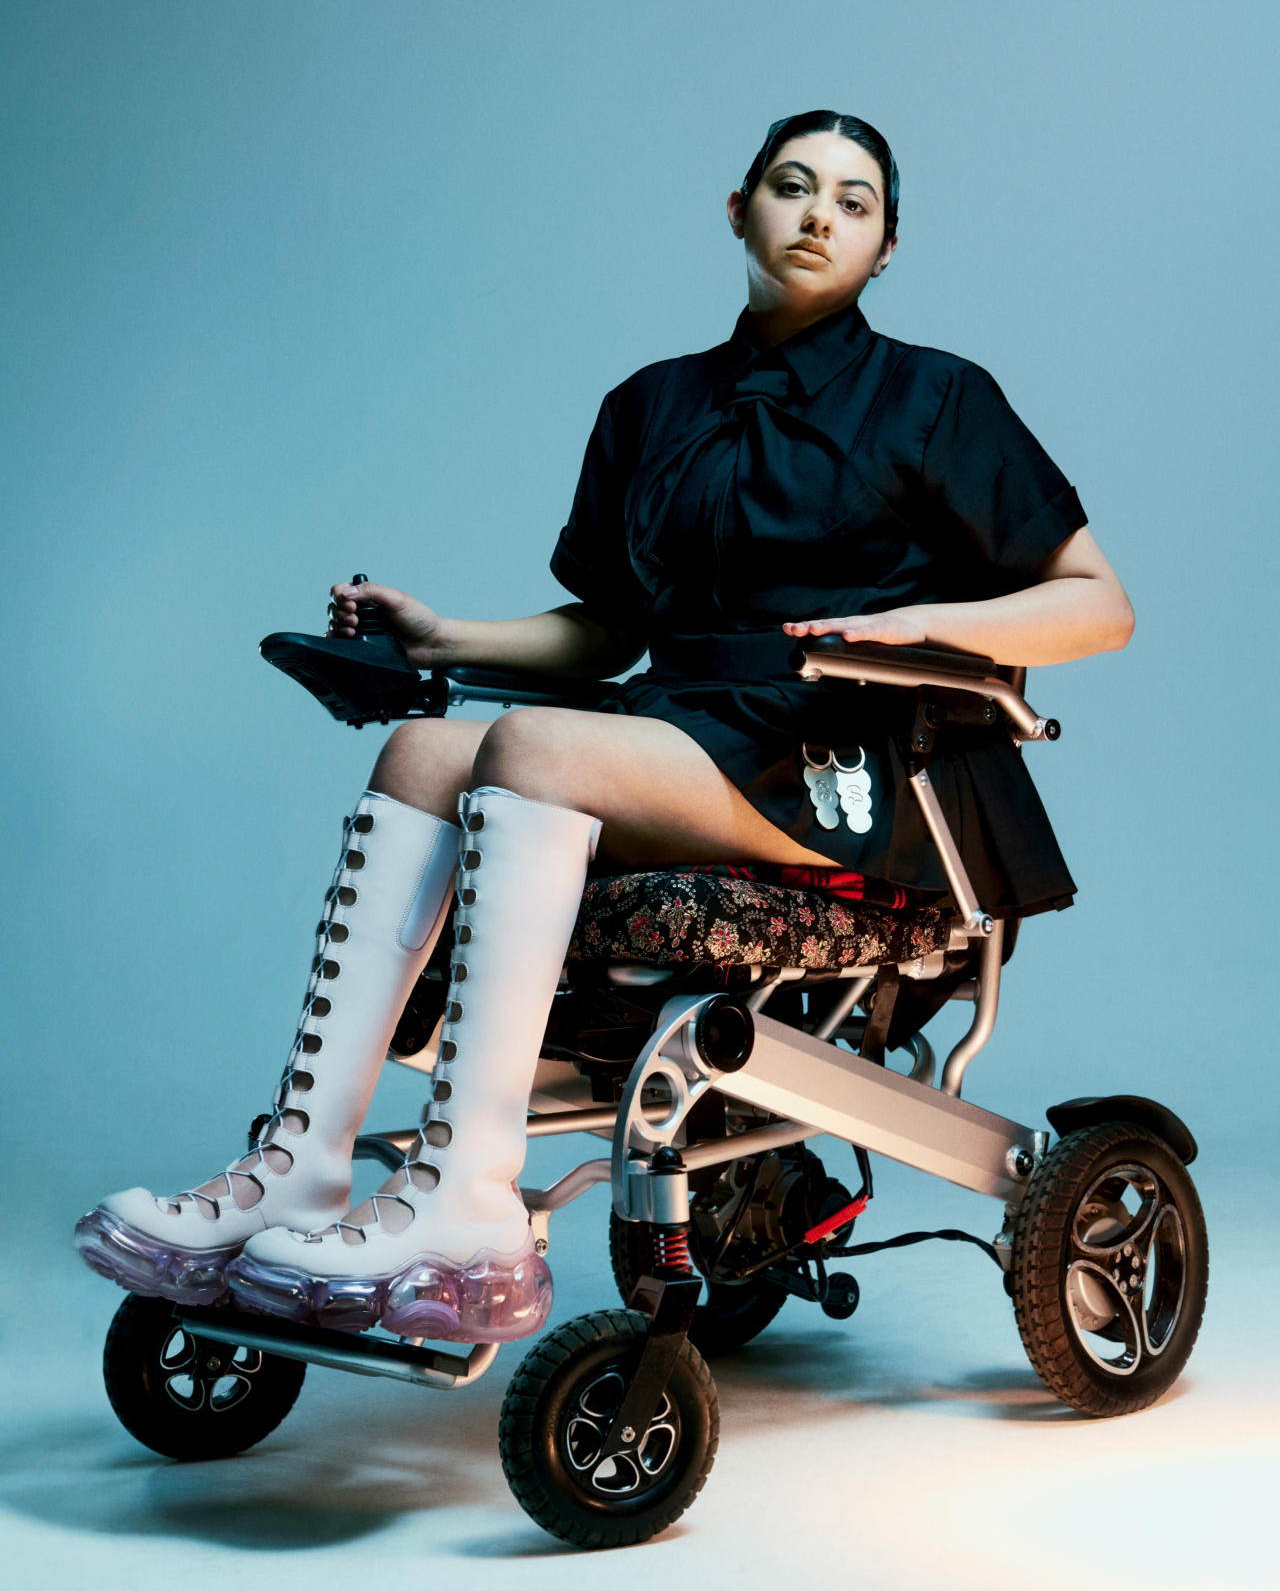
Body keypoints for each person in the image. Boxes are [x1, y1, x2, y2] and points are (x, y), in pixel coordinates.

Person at [75, 110, 1134, 1344]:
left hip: (840, 758)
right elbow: (605, 631)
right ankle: (300, 1164)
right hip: (674, 726)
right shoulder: (650, 406)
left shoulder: (936, 398)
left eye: (851, 203)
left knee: (530, 745)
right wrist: (441, 637)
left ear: (886, 247)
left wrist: (920, 625)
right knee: (421, 746)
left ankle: (466, 1201)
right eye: (790, 188)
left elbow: (1098, 606)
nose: (815, 216)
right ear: (734, 209)